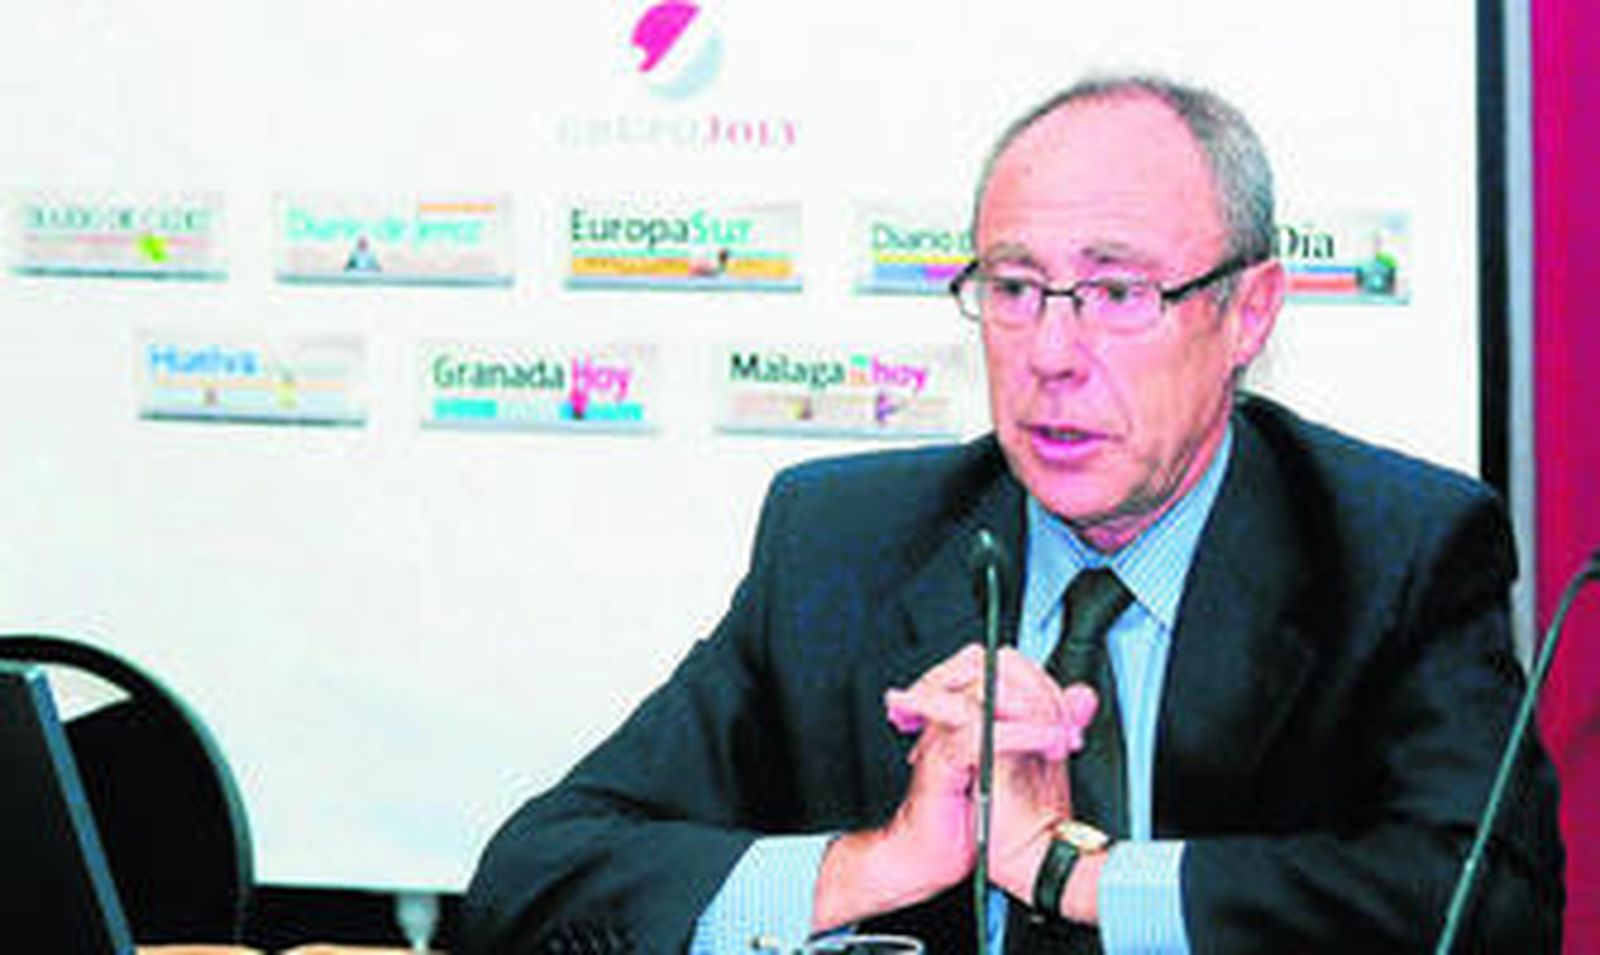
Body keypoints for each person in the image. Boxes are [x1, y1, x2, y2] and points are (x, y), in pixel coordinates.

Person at [460, 74, 1564, 953]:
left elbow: (1486, 910)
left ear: (1248, 312)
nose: (1047, 354)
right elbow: (533, 878)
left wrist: (1064, 869)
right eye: (1013, 286)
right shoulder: (842, 544)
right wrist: (886, 859)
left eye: (1118, 293)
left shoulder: (1393, 548)